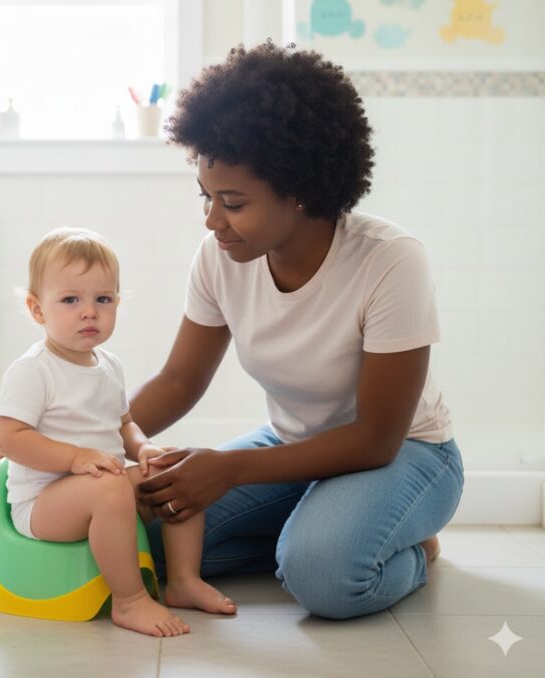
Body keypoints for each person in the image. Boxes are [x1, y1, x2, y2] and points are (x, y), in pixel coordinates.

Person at [131, 42, 465, 620]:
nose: (213, 221)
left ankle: (404, 550)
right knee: (153, 537)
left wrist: (229, 470)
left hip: (405, 454)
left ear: (299, 191)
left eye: (233, 202)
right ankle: (318, 531)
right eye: (206, 197)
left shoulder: (390, 261)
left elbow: (376, 438)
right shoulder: (218, 258)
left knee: (324, 579)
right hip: (292, 447)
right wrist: (83, 435)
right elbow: (179, 381)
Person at [0, 228, 236, 639]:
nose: (89, 312)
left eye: (103, 300)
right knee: (109, 488)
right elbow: (10, 438)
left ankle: (183, 580)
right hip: (43, 504)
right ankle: (129, 600)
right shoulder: (33, 370)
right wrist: (74, 458)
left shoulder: (108, 366)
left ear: (117, 304)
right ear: (37, 309)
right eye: (70, 300)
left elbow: (123, 424)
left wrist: (144, 449)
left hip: (103, 486)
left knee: (177, 475)